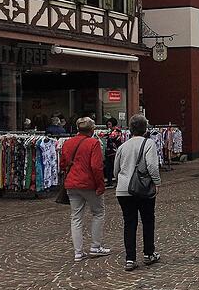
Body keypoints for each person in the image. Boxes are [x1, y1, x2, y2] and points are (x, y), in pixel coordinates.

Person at [113, 114, 161, 271]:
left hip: (123, 189)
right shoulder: (149, 144)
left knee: (129, 223)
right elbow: (152, 166)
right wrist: (157, 182)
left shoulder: (122, 146)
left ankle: (130, 258)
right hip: (142, 187)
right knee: (148, 220)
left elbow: (116, 170)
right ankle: (149, 253)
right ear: (145, 129)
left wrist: (121, 179)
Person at [62, 117, 110, 263]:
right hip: (89, 183)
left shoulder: (67, 143)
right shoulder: (93, 143)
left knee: (76, 217)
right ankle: (95, 246)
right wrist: (100, 185)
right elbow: (96, 166)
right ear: (92, 129)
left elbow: (62, 163)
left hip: (72, 183)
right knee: (98, 213)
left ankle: (78, 252)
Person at [104, 117, 122, 188]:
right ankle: (109, 181)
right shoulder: (109, 131)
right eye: (107, 124)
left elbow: (111, 137)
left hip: (115, 151)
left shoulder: (117, 131)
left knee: (115, 167)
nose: (108, 126)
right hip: (109, 151)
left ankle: (117, 181)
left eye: (109, 124)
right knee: (108, 167)